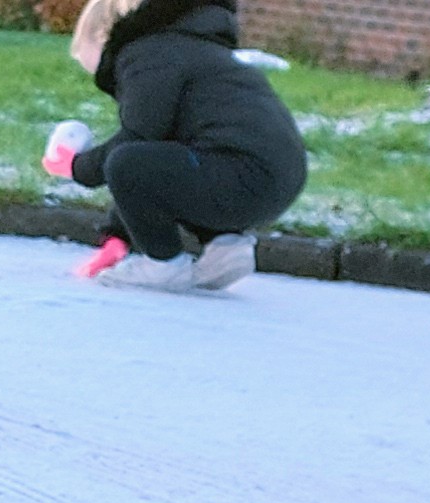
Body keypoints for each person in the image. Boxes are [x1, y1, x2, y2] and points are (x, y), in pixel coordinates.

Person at [44, 0, 309, 292]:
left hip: (238, 174)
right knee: (173, 163)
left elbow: (138, 140)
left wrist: (77, 167)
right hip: (277, 179)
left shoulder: (147, 54)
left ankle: (163, 265)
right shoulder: (193, 48)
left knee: (125, 160)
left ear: (103, 35)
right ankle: (225, 248)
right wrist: (117, 235)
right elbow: (160, 164)